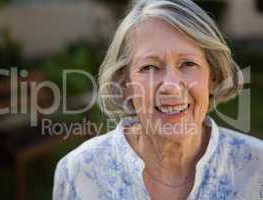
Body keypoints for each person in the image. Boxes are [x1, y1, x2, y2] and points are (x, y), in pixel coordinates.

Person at [53, 0, 263, 199]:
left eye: (188, 64)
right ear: (124, 85)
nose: (170, 85)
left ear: (213, 78)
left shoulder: (257, 167)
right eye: (150, 67)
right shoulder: (78, 172)